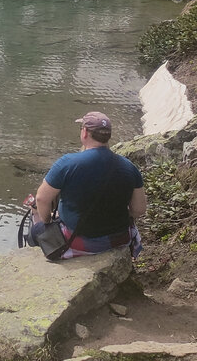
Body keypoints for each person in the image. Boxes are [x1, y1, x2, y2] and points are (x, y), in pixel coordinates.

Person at [28, 110, 146, 258]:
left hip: (78, 242)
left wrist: (47, 222)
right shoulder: (129, 167)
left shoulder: (67, 163)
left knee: (36, 226)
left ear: (84, 132)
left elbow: (41, 199)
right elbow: (139, 209)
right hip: (118, 240)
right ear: (108, 136)